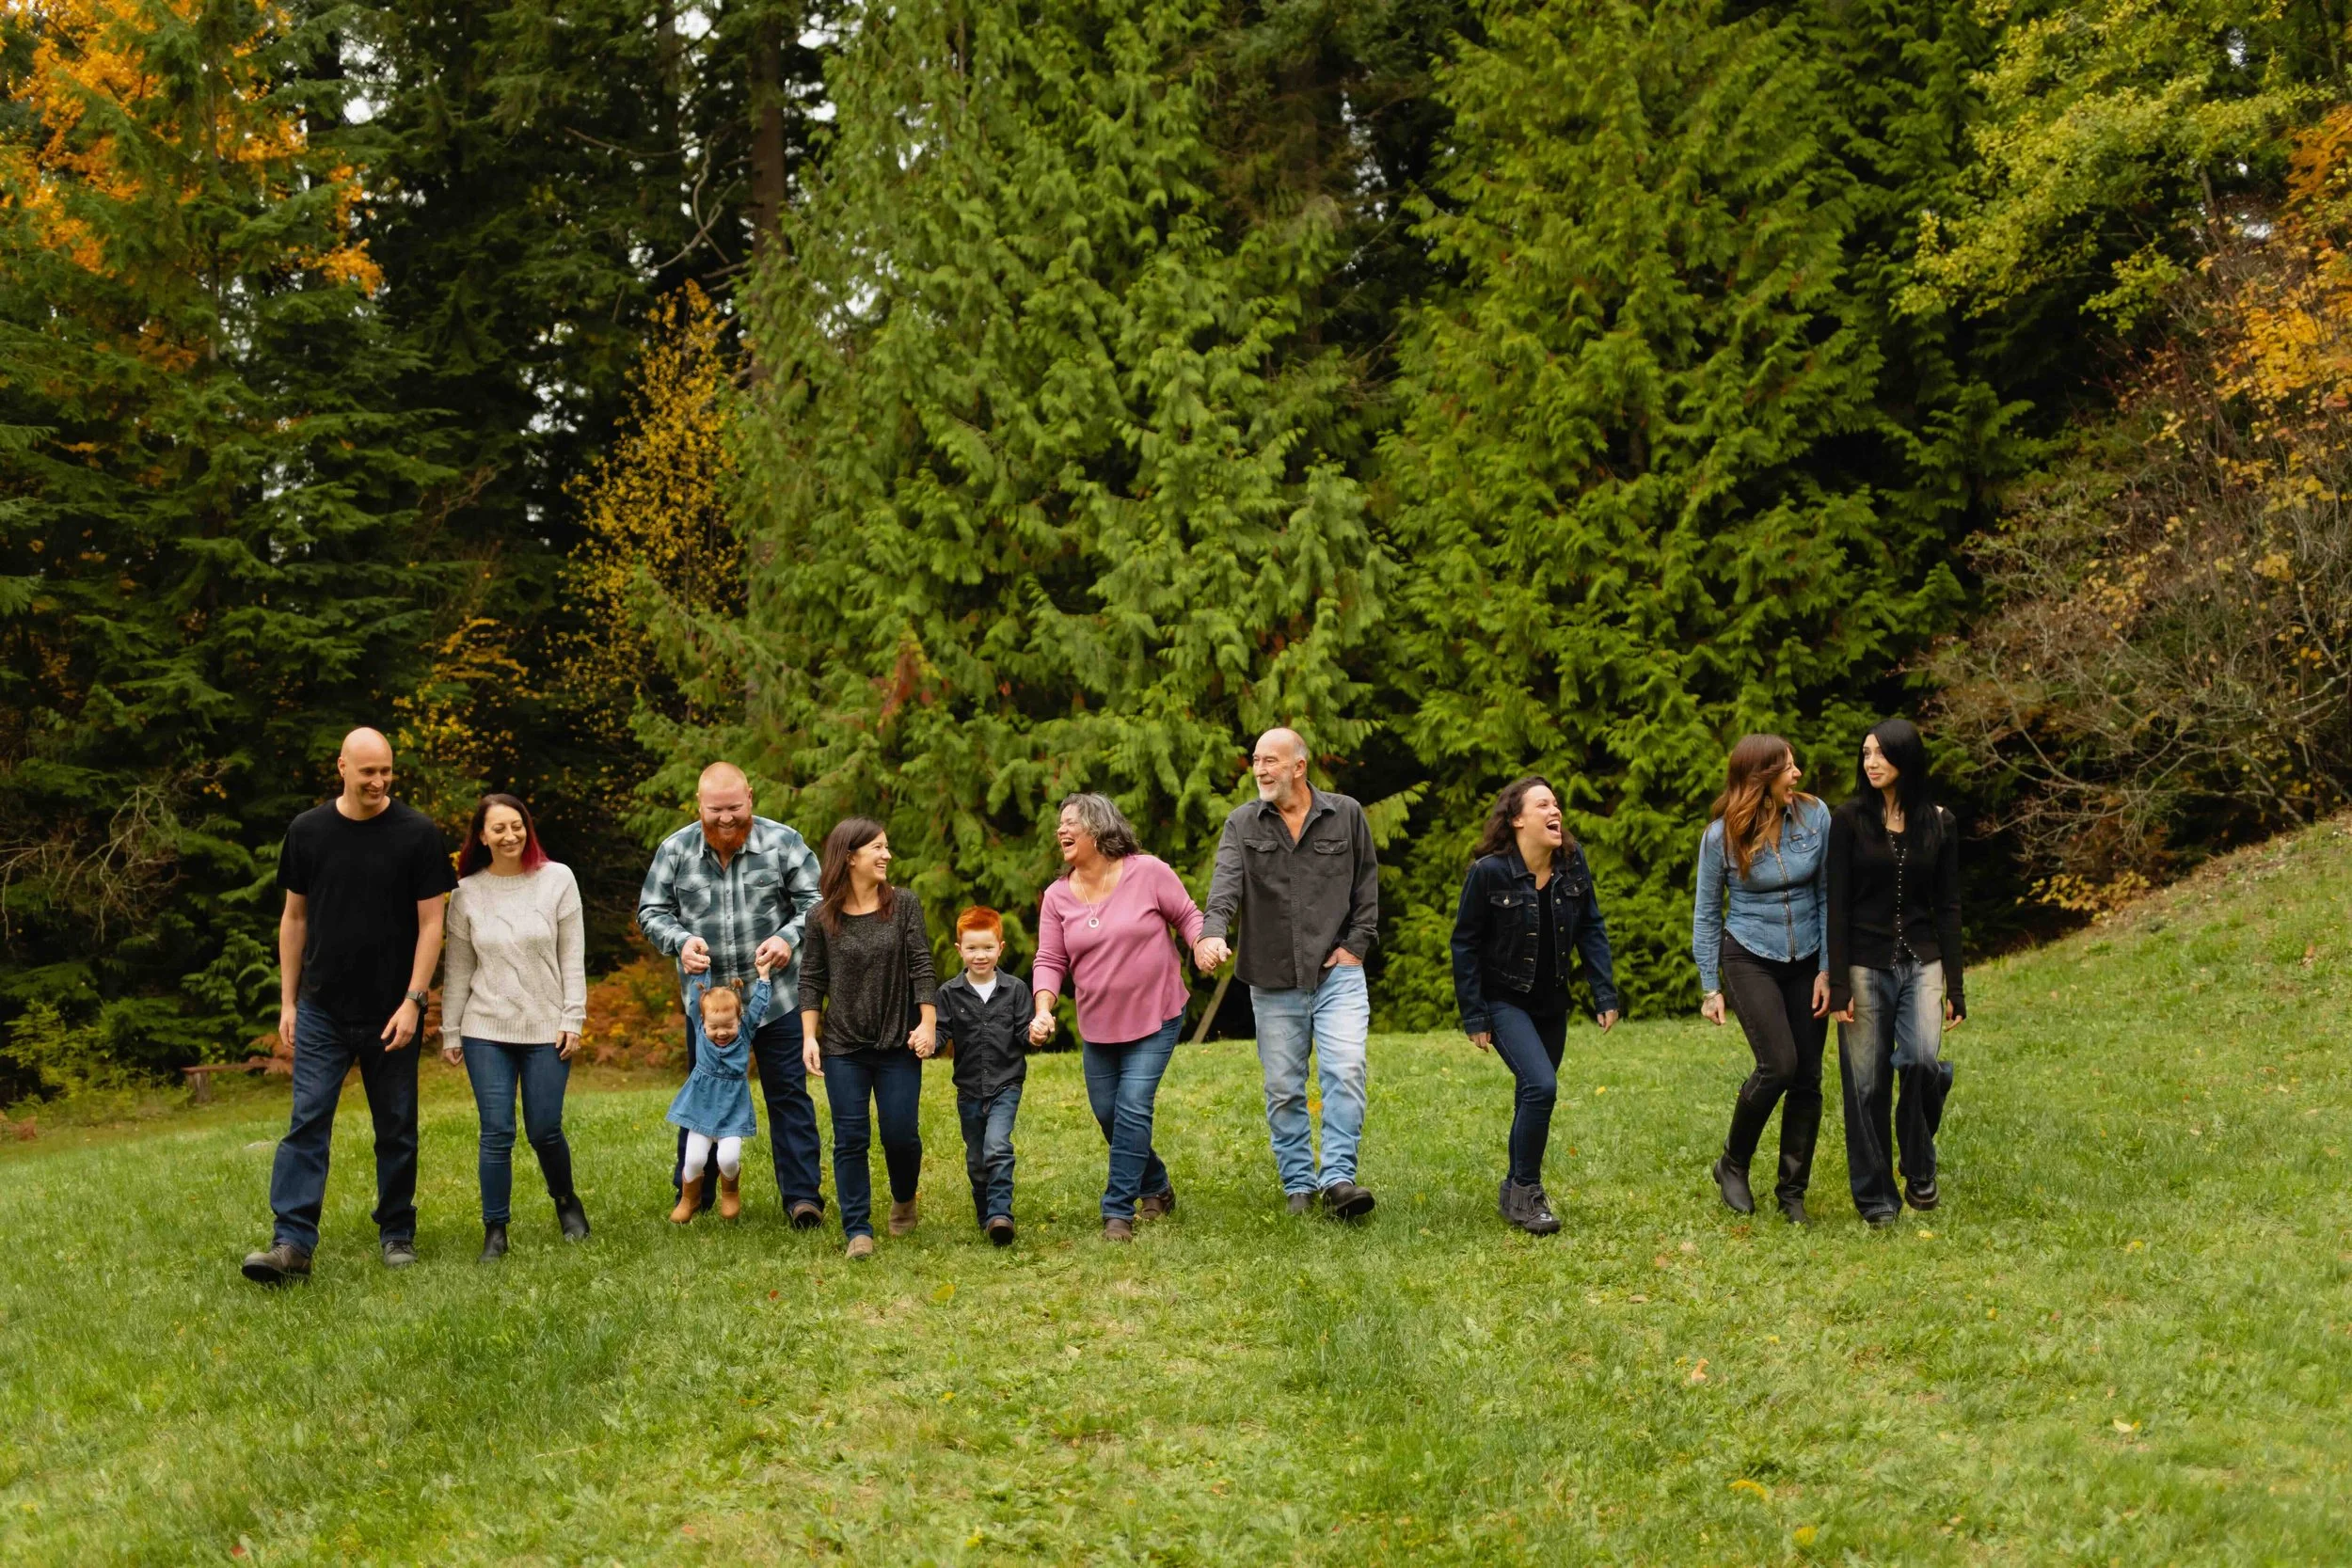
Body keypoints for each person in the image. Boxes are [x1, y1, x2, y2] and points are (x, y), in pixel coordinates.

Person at [242, 728, 455, 1284]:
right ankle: (292, 1244)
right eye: (368, 772)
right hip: (322, 1009)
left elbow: (432, 924)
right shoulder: (308, 831)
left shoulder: (417, 833)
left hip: (392, 1010)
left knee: (397, 1127)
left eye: (386, 771)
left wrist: (415, 1001)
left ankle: (397, 1231)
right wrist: (288, 1001)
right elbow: (294, 918)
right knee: (307, 1123)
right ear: (342, 767)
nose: (379, 781)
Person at [1197, 727, 1380, 1219]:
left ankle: (1338, 1179)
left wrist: (1356, 945)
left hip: (1337, 972)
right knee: (1283, 1088)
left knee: (1346, 1070)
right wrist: (1211, 934)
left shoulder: (1346, 814)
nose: (1259, 769)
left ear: (1299, 767)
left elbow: (1366, 883)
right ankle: (1299, 1184)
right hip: (1272, 977)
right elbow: (1225, 887)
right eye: (1256, 760)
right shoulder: (1241, 823)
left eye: (1270, 761)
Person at [638, 763, 825, 1227]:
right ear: (699, 806)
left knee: (788, 1096)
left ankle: (802, 1199)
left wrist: (787, 938)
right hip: (709, 1010)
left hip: (776, 999)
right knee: (703, 1093)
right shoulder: (675, 850)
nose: (726, 818)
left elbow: (818, 903)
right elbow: (652, 911)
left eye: (735, 808)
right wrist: (680, 942)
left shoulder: (784, 842)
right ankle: (695, 1195)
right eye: (715, 809)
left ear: (751, 798)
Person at [1449, 775, 1621, 1237]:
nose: (1555, 811)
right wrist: (1475, 1015)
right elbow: (1465, 943)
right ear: (1517, 819)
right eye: (1543, 804)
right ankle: (1528, 1190)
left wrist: (1604, 993)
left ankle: (1514, 1190)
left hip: (1552, 1003)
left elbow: (1591, 928)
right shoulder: (1489, 873)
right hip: (1504, 999)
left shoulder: (1572, 864)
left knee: (1532, 1094)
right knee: (1541, 1087)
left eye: (1556, 804)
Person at [1030, 794, 1205, 1243]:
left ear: (1098, 828)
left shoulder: (1147, 872)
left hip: (1156, 1012)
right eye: (1060, 824)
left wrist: (1203, 943)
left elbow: (1187, 915)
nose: (1061, 830)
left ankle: (1117, 1212)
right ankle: (1156, 1184)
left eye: (1071, 822)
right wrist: (1044, 1008)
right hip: (1099, 1024)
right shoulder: (1057, 896)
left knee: (1132, 1106)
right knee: (1109, 1114)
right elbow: (1050, 958)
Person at [438, 793, 591, 1261]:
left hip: (547, 1027)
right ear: (482, 837)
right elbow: (458, 969)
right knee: (496, 1131)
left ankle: (565, 1201)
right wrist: (450, 1031)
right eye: (499, 828)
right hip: (485, 1028)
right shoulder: (465, 893)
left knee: (544, 1129)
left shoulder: (557, 879)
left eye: (517, 826)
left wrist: (573, 1017)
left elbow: (572, 955)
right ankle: (496, 1230)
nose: (510, 836)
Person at [1827, 719, 1963, 1227]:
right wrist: (1838, 983)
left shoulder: (1940, 823)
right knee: (1866, 1085)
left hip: (1923, 961)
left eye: (1881, 753)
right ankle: (1876, 1198)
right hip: (1864, 964)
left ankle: (1917, 1160)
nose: (1871, 762)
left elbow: (1948, 906)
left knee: (1923, 1062)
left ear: (1906, 758)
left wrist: (1957, 986)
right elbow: (1836, 905)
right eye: (1865, 754)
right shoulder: (1848, 820)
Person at [1692, 736, 1831, 1224]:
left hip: (1809, 957)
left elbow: (1829, 895)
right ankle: (1733, 1163)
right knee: (1779, 1065)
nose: (1797, 774)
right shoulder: (1720, 837)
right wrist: (1710, 987)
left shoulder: (1815, 816)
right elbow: (1707, 913)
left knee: (1808, 1076)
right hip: (1749, 954)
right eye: (1788, 768)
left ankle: (1792, 1194)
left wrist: (1828, 969)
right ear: (1761, 779)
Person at [797, 818, 937, 1259]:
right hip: (843, 1047)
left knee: (900, 1135)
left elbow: (922, 965)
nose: (886, 855)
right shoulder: (821, 917)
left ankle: (904, 1198)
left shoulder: (904, 904)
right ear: (850, 856)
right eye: (877, 847)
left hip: (898, 1043)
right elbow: (811, 978)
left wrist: (928, 1023)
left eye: (886, 847)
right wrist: (809, 1037)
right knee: (850, 1137)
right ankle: (857, 1228)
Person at [935, 907, 1030, 1246]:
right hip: (969, 1089)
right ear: (959, 949)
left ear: (1000, 948)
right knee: (977, 1159)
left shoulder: (1015, 990)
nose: (980, 955)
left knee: (997, 1147)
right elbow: (941, 1033)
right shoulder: (949, 993)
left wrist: (1036, 1033)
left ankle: (1001, 1214)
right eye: (972, 948)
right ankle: (985, 1213)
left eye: (988, 948)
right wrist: (926, 1041)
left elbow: (1024, 1034)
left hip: (1006, 1084)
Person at [667, 964, 776, 1224]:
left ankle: (730, 1192)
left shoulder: (745, 1033)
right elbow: (695, 997)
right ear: (703, 1023)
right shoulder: (699, 1027)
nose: (722, 1032)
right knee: (694, 1159)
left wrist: (763, 978)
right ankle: (689, 1198)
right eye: (714, 1027)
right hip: (701, 1106)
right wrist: (701, 966)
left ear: (739, 1019)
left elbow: (759, 1007)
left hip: (732, 1108)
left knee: (728, 1158)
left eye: (729, 1025)